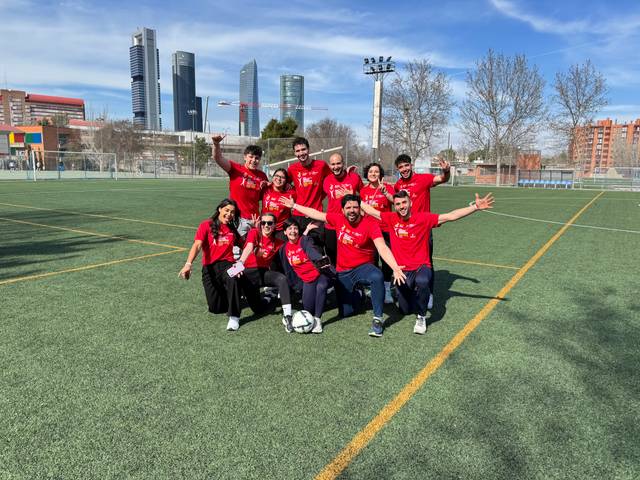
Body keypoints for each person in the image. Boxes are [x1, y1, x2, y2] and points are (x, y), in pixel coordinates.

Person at [362, 190, 494, 334]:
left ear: (410, 202)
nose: (401, 206)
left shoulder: (423, 218)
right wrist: (353, 196)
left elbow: (450, 216)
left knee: (423, 280)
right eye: (398, 204)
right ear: (395, 206)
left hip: (421, 266)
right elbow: (371, 211)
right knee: (404, 310)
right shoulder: (391, 218)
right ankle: (412, 295)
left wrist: (474, 207)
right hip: (402, 270)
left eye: (404, 202)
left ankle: (421, 316)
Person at [281, 194, 406, 337]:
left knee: (377, 276)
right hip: (343, 271)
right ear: (342, 210)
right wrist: (294, 206)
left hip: (363, 267)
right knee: (345, 313)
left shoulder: (370, 224)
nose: (352, 210)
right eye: (348, 207)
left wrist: (395, 267)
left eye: (355, 207)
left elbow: (382, 247)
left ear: (360, 209)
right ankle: (360, 295)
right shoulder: (338, 219)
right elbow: (316, 214)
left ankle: (377, 318)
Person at [178, 198, 244, 331]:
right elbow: (197, 245)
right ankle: (234, 294)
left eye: (232, 212)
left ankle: (234, 317)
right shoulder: (206, 225)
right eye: (227, 210)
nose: (229, 214)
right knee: (215, 308)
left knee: (232, 277)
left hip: (227, 265)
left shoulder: (232, 229)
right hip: (210, 269)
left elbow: (245, 246)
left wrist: (240, 265)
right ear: (220, 209)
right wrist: (188, 264)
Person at [394, 154, 451, 308]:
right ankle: (406, 291)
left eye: (406, 165)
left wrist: (446, 171)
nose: (404, 169)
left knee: (426, 262)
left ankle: (429, 294)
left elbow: (442, 179)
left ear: (411, 165)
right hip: (405, 230)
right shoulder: (398, 185)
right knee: (405, 261)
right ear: (397, 169)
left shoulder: (423, 179)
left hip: (422, 229)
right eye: (401, 167)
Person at [236, 213, 294, 332]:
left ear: (274, 225)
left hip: (263, 274)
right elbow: (249, 247)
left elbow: (294, 247)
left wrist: (306, 231)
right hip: (248, 275)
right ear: (260, 224)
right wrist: (240, 262)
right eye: (263, 223)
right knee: (259, 310)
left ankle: (287, 316)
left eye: (270, 223)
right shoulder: (254, 233)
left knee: (281, 279)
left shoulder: (278, 242)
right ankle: (268, 298)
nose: (266, 225)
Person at [278, 218, 332, 333]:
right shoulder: (283, 249)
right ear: (284, 232)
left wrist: (319, 259)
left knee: (321, 287)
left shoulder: (305, 240)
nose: (293, 231)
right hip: (307, 281)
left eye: (295, 228)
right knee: (308, 310)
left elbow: (310, 249)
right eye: (290, 228)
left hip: (320, 274)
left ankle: (318, 320)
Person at [212, 135, 268, 237]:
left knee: (252, 250)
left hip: (255, 220)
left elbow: (265, 197)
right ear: (245, 157)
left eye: (257, 158)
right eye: (251, 157)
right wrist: (216, 144)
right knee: (236, 251)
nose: (253, 160)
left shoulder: (262, 176)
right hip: (237, 219)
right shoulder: (235, 169)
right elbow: (218, 158)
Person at [360, 162, 395, 304]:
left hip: (385, 229)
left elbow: (395, 201)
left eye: (376, 171)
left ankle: (387, 289)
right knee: (371, 259)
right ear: (366, 174)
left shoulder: (388, 188)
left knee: (386, 261)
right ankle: (373, 288)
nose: (373, 174)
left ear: (380, 174)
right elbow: (362, 211)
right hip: (369, 230)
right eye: (370, 172)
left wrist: (385, 192)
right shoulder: (363, 191)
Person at [322, 152, 363, 264]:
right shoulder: (326, 180)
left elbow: (364, 195)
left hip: (350, 224)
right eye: (333, 164)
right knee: (332, 257)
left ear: (343, 163)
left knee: (351, 256)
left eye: (338, 163)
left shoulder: (354, 177)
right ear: (330, 166)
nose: (336, 167)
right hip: (331, 226)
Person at [287, 137, 331, 234]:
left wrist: (346, 173)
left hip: (316, 213)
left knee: (316, 246)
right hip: (298, 213)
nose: (301, 153)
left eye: (303, 149)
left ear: (308, 149)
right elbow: (284, 184)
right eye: (297, 151)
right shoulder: (292, 169)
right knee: (299, 245)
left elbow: (332, 179)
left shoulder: (321, 165)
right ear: (295, 153)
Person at [261, 168, 296, 241]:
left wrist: (291, 186)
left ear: (286, 181)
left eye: (282, 177)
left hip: (280, 230)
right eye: (276, 175)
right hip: (265, 226)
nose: (279, 179)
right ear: (272, 177)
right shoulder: (265, 189)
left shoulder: (291, 193)